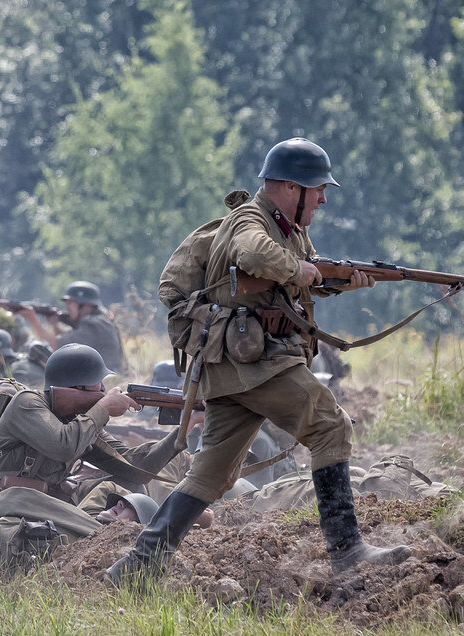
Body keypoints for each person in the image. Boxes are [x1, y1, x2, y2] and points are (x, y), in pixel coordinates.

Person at [106, 137, 411, 586]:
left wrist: (342, 280)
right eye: (318, 189)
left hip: (235, 366)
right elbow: (253, 254)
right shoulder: (250, 219)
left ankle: (136, 567)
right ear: (290, 187)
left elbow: (293, 282)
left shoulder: (289, 230)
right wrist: (298, 269)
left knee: (209, 474)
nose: (324, 199)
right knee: (331, 426)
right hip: (254, 363)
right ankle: (348, 552)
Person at [0, 343, 181, 511]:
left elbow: (135, 467)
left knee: (131, 486)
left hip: (43, 503)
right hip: (0, 503)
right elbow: (63, 446)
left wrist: (185, 429)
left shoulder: (77, 419)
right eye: (98, 382)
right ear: (78, 386)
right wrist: (103, 409)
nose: (103, 389)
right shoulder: (26, 403)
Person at [19, 281, 125, 373]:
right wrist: (55, 326)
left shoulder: (94, 325)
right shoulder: (99, 320)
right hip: (102, 374)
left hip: (104, 378)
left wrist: (34, 321)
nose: (67, 307)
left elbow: (56, 345)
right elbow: (70, 341)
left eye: (70, 303)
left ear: (86, 305)